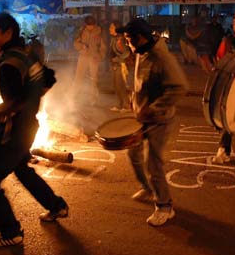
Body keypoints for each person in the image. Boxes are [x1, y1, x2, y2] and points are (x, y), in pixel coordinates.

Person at [0, 12, 67, 248]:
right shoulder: (26, 54)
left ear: (8, 33)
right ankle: (56, 206)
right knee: (22, 170)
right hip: (29, 125)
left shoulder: (9, 64)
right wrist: (32, 97)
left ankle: (9, 232)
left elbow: (15, 103)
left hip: (15, 131)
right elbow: (49, 79)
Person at [116, 18, 188, 226]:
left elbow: (179, 87)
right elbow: (141, 82)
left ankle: (165, 206)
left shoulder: (161, 57)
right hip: (142, 116)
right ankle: (148, 189)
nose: (127, 43)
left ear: (140, 37)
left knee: (153, 164)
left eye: (129, 39)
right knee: (133, 153)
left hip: (159, 119)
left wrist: (154, 108)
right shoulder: (141, 51)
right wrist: (134, 101)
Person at [212, 11, 235, 164]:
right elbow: (220, 60)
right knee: (231, 118)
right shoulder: (229, 41)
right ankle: (224, 149)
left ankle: (229, 149)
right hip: (232, 86)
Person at [73, 15, 106, 106]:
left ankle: (93, 99)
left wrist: (100, 57)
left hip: (94, 57)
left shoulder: (99, 31)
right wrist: (81, 46)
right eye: (88, 25)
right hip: (83, 56)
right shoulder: (82, 31)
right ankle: (74, 97)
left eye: (91, 25)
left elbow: (103, 47)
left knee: (94, 79)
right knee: (78, 77)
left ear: (94, 24)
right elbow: (76, 43)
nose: (90, 26)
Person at [108, 20, 131, 112]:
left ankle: (126, 106)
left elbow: (126, 53)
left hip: (122, 65)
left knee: (121, 85)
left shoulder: (120, 40)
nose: (109, 29)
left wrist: (116, 60)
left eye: (111, 27)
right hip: (116, 65)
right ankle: (119, 105)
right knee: (116, 86)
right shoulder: (115, 39)